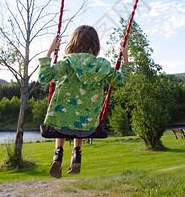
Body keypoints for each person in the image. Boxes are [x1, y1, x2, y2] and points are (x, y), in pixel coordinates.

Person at [38, 25, 130, 178]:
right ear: (96, 45)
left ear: (73, 43)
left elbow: (44, 77)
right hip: (88, 128)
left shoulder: (68, 63)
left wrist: (51, 50)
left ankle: (58, 154)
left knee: (63, 112)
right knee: (83, 113)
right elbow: (123, 82)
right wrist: (125, 56)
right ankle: (77, 154)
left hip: (61, 126)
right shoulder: (103, 66)